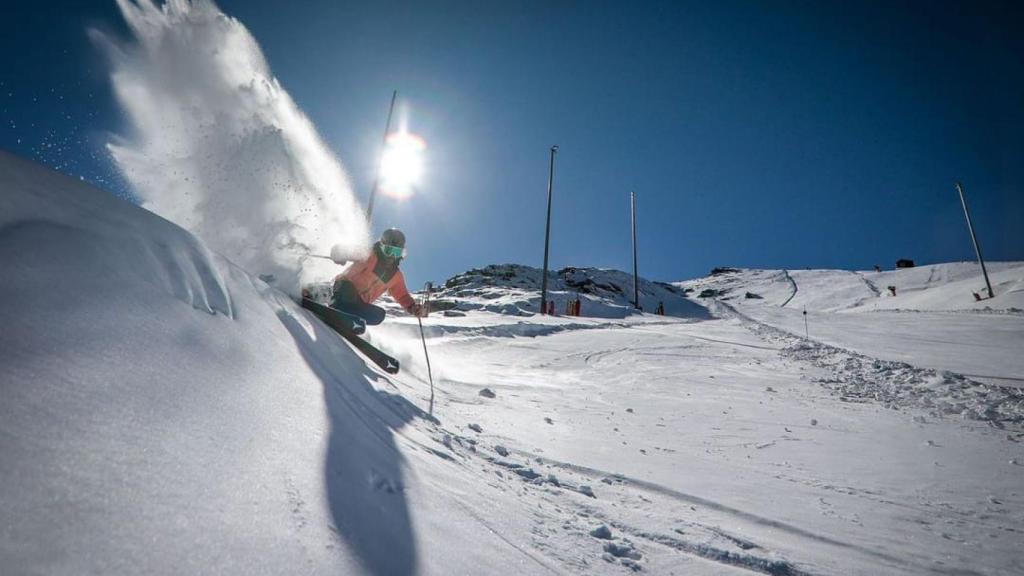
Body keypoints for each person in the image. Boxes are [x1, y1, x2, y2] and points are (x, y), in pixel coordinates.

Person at [330, 228, 425, 325]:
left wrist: (412, 307)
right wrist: (338, 253)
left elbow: (402, 295)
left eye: (396, 253)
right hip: (343, 287)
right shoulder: (369, 254)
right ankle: (333, 304)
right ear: (382, 247)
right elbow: (349, 250)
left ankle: (350, 319)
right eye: (389, 251)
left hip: (359, 302)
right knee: (348, 292)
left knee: (378, 315)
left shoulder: (396, 276)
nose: (392, 256)